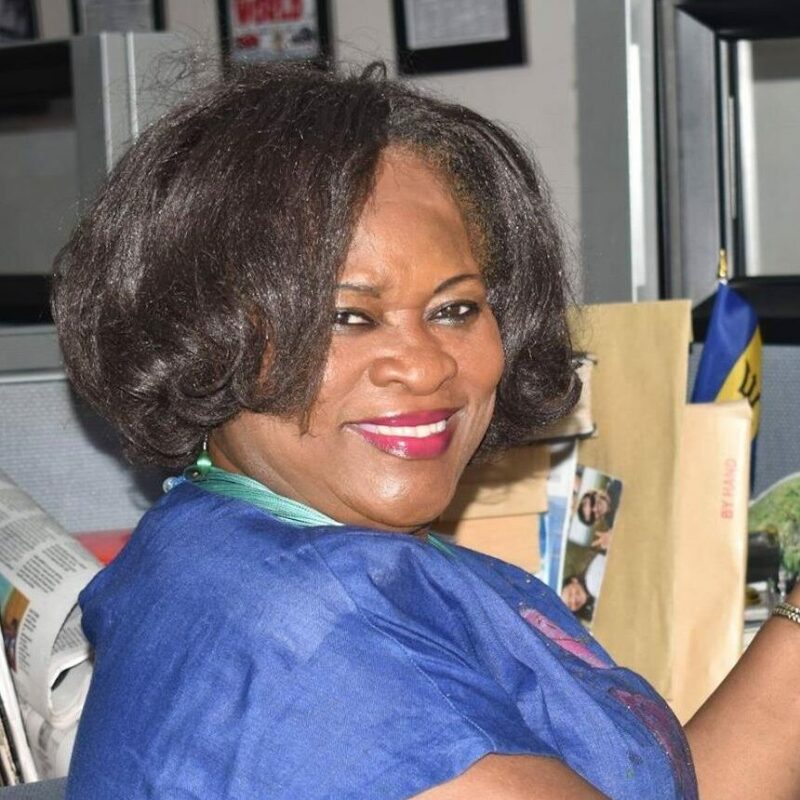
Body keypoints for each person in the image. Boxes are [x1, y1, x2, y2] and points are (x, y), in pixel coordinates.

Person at [52, 63, 800, 800]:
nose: (424, 365)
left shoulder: (224, 539)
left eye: (454, 309)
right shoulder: (315, 643)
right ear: (206, 336)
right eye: (349, 317)